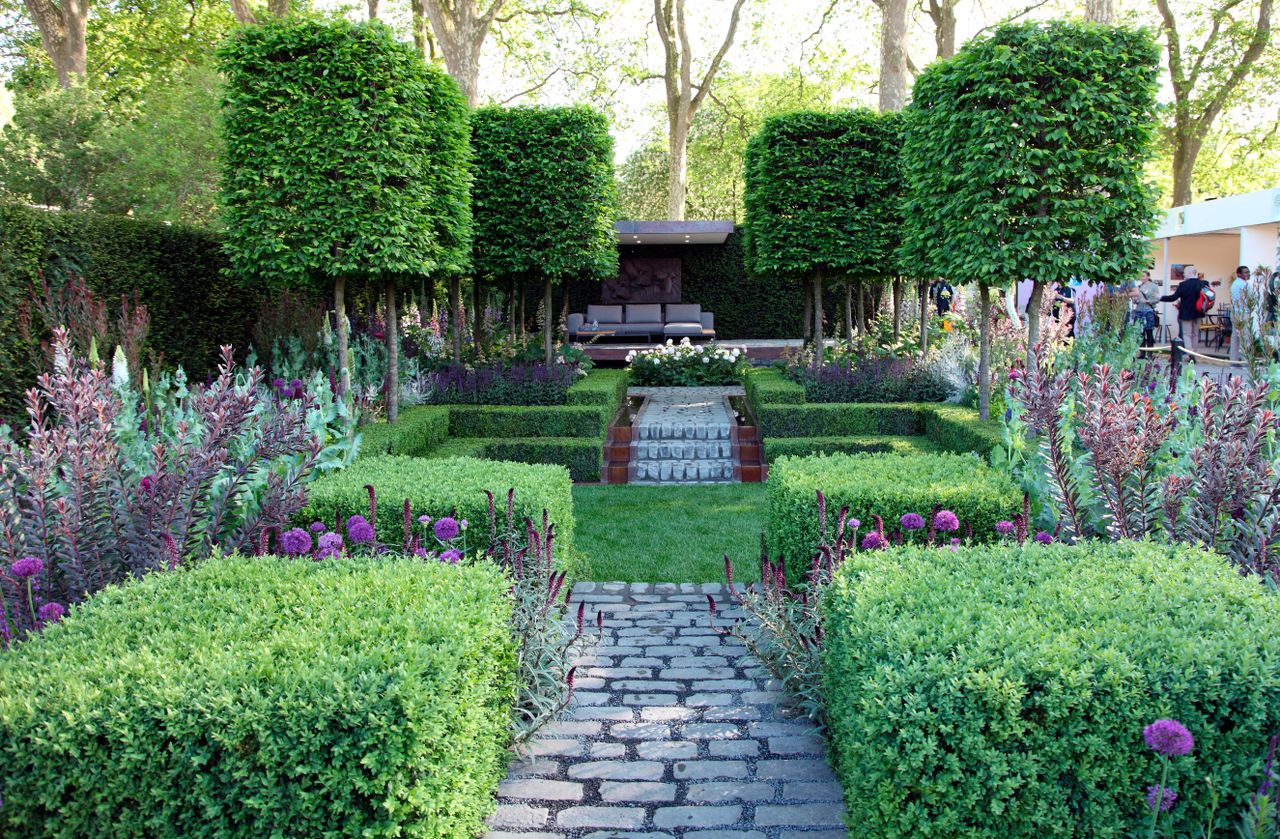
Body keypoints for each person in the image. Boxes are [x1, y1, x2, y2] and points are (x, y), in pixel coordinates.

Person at [1160, 266, 1209, 350]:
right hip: (1199, 312)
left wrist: (1161, 298)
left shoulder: (1183, 285)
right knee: (1195, 334)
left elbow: (1173, 297)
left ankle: (1190, 353)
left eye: (1185, 272)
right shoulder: (1204, 283)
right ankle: (1195, 353)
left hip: (1186, 313)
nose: (1183, 274)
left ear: (1190, 273)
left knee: (1186, 334)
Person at [1131, 271, 1161, 348]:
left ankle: (1150, 352)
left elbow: (1157, 299)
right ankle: (1142, 352)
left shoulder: (1153, 286)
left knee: (1149, 331)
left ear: (1148, 277)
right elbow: (1136, 298)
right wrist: (1135, 300)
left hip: (1148, 311)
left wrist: (1148, 301)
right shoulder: (1138, 287)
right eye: (1141, 276)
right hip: (1139, 310)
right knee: (1140, 332)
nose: (1142, 278)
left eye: (1143, 276)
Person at [1230, 265, 1250, 361]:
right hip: (1242, 313)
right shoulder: (1244, 285)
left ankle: (1233, 361)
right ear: (1239, 274)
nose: (1248, 274)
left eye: (1248, 272)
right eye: (1245, 272)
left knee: (1235, 338)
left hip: (1235, 313)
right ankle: (1244, 361)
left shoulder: (1234, 284)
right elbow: (1251, 299)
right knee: (1245, 338)